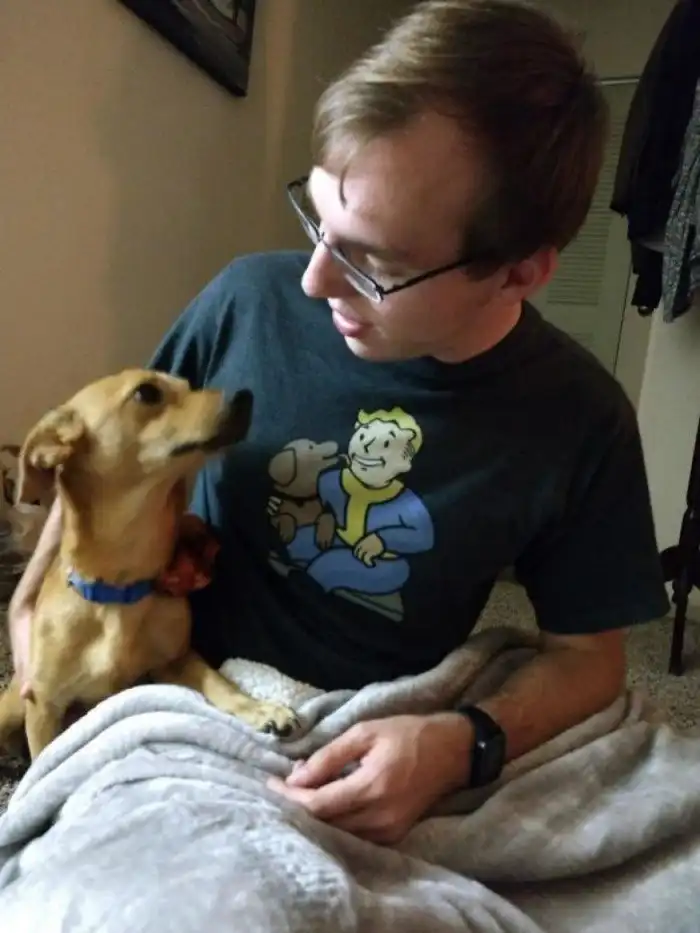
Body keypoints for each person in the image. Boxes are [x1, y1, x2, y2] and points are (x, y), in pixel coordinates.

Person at [8, 0, 669, 846]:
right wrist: (26, 601)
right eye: (318, 219)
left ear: (519, 274)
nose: (314, 282)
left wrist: (459, 743)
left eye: (373, 261)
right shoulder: (246, 299)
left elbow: (589, 659)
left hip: (357, 729)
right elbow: (103, 461)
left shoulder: (582, 420)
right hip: (170, 681)